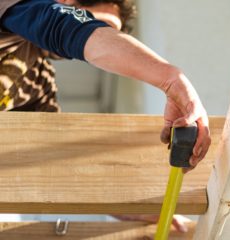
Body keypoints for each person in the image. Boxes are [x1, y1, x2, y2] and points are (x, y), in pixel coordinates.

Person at [0, 0, 211, 232]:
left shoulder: (36, 80)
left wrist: (125, 206)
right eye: (99, 25)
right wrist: (171, 79)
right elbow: (65, 26)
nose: (99, 39)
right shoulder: (14, 6)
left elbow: (53, 161)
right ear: (66, 3)